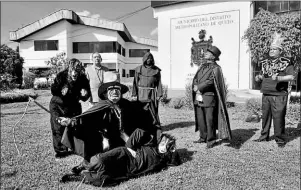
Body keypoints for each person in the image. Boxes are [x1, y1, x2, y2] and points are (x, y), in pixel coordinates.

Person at [60, 72, 162, 174]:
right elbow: (86, 119)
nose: (115, 92)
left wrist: (149, 105)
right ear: (105, 93)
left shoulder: (126, 105)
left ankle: (93, 165)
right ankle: (84, 164)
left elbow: (140, 115)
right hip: (104, 139)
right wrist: (71, 122)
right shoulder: (101, 106)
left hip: (124, 139)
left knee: (119, 159)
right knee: (99, 147)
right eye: (111, 90)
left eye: (117, 89)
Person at [61, 128, 181, 187]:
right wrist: (130, 148)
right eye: (163, 142)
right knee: (99, 160)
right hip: (124, 154)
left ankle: (78, 178)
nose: (164, 145)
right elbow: (139, 132)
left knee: (103, 180)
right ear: (159, 141)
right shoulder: (151, 144)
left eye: (167, 145)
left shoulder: (164, 160)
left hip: (127, 171)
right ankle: (82, 166)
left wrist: (173, 148)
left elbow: (176, 162)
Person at [253, 32, 295, 148]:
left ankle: (280, 139)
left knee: (278, 118)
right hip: (266, 93)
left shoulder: (286, 62)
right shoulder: (265, 62)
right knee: (265, 117)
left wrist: (279, 78)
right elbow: (262, 75)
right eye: (270, 49)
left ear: (280, 51)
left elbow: (291, 77)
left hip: (279, 94)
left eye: (274, 49)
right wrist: (258, 78)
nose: (271, 51)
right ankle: (264, 136)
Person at [49, 58, 91, 158]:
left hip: (73, 105)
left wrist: (85, 94)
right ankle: (61, 150)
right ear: (69, 69)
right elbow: (53, 90)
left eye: (77, 71)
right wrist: (61, 90)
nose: (75, 74)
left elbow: (86, 93)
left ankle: (74, 147)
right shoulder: (61, 76)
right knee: (58, 127)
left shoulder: (82, 77)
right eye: (73, 71)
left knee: (75, 125)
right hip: (58, 104)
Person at [192, 46, 232, 148]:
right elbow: (196, 78)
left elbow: (210, 81)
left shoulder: (216, 68)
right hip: (199, 97)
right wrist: (196, 85)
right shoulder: (202, 66)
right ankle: (203, 137)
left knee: (209, 120)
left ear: (213, 57)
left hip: (209, 98)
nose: (205, 53)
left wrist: (199, 87)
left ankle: (211, 139)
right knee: (201, 119)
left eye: (208, 53)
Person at [132, 51, 163, 121]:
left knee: (152, 108)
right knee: (141, 108)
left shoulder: (156, 70)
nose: (149, 60)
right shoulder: (138, 69)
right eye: (147, 58)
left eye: (150, 58)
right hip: (141, 93)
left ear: (152, 60)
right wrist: (134, 94)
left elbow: (159, 83)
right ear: (144, 59)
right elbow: (135, 82)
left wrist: (159, 94)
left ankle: (154, 124)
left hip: (152, 93)